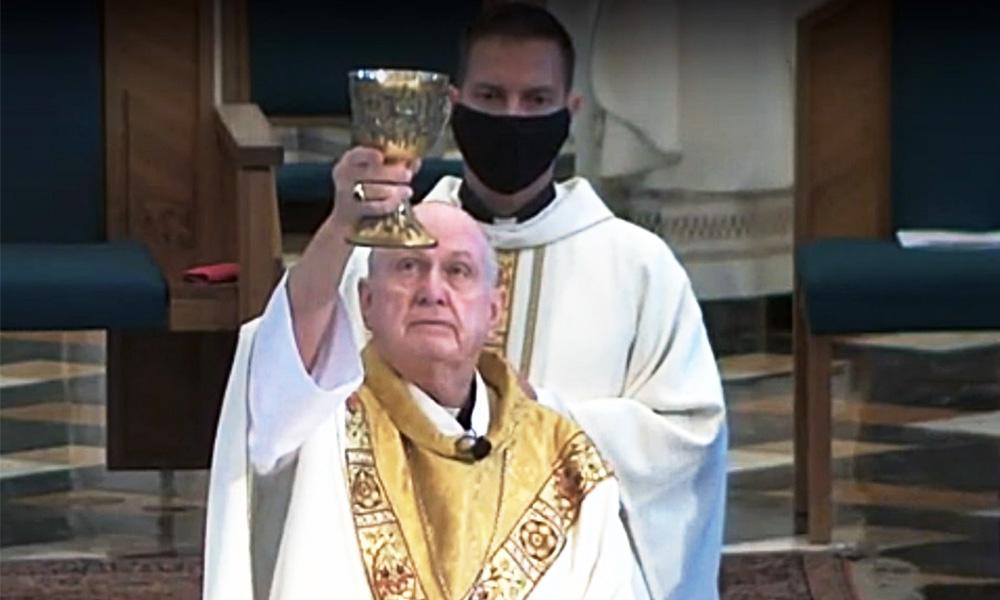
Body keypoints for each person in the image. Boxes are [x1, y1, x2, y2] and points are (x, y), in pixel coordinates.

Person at [335, 5, 729, 599]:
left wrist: (540, 414)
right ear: (453, 103)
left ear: (569, 112)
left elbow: (689, 438)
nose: (511, 117)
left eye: (534, 99)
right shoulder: (388, 252)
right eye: (491, 97)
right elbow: (332, 407)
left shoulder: (637, 265)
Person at [204, 197, 637, 598]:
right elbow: (280, 362)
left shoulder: (563, 457)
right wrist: (342, 224)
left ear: (493, 310)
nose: (432, 290)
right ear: (367, 302)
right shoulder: (319, 420)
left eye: (458, 271)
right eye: (409, 266)